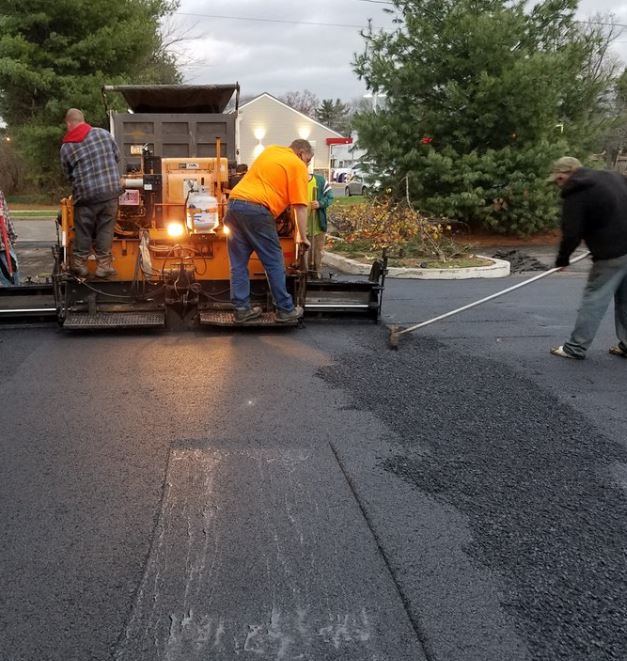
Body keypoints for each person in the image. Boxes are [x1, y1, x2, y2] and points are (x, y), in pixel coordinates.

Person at [548, 156, 627, 359]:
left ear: (569, 173)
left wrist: (562, 260)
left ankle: (575, 347)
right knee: (625, 300)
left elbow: (572, 233)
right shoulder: (612, 176)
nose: (558, 184)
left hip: (611, 255)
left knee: (594, 299)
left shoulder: (576, 191)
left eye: (559, 179)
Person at [225, 139, 312, 323]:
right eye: (308, 160)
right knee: (274, 261)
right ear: (301, 153)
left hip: (233, 205)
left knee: (238, 264)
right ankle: (285, 309)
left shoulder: (272, 150)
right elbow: (300, 207)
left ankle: (241, 309)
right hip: (257, 210)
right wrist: (302, 237)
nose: (307, 164)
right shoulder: (297, 165)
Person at [60, 108, 122, 278]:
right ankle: (104, 266)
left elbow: (68, 174)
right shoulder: (104, 134)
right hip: (109, 193)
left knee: (83, 230)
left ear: (69, 123)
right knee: (105, 229)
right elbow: (117, 157)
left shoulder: (67, 147)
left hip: (85, 196)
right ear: (83, 120)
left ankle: (80, 264)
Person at [306, 171, 333, 279]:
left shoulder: (320, 181)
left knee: (318, 250)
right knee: (305, 251)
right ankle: (305, 273)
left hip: (317, 224)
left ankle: (317, 272)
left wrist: (320, 203)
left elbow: (330, 197)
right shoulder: (296, 181)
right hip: (302, 226)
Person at [0, 190, 19, 286]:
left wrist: (12, 234)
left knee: (12, 267)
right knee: (3, 275)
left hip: (4, 242)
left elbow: (6, 215)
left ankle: (16, 290)